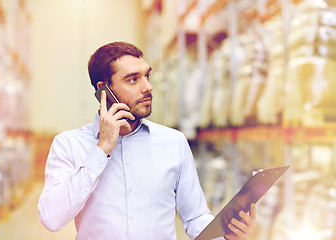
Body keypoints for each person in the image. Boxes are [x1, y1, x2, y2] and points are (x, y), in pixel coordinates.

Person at [38, 41, 256, 240]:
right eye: (133, 79)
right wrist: (101, 149)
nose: (148, 87)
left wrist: (226, 235)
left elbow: (195, 217)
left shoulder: (173, 142)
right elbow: (52, 219)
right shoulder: (68, 144)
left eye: (147, 76)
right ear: (103, 90)